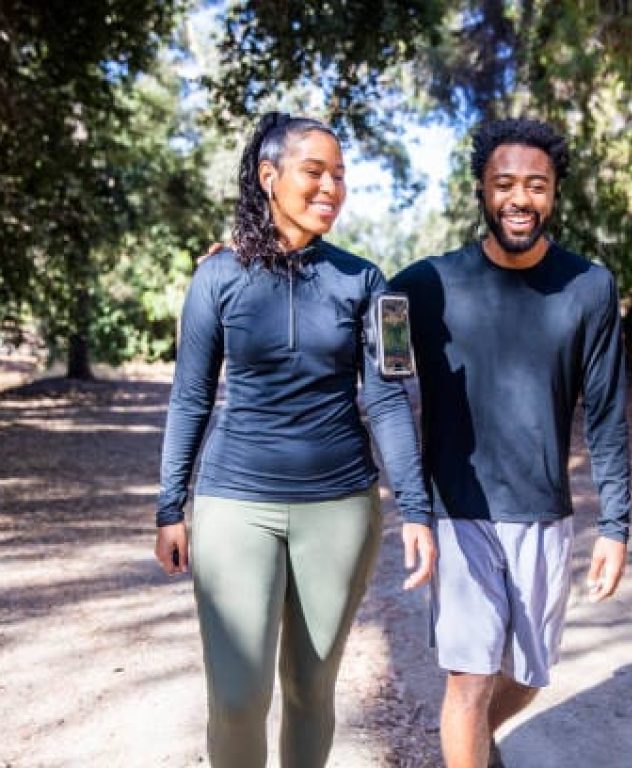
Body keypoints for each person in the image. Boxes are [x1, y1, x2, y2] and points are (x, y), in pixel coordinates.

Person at [154, 112, 435, 768]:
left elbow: (389, 400)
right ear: (268, 176)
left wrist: (416, 510)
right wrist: (171, 505)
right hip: (234, 505)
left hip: (338, 509)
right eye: (316, 172)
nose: (331, 187)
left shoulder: (371, 283)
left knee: (311, 689)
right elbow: (191, 396)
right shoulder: (215, 279)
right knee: (235, 695)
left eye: (340, 175)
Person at [390, 117, 631, 768]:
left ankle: (473, 745)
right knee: (466, 681)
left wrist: (616, 523)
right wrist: (254, 259)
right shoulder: (421, 286)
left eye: (536, 185)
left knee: (527, 674)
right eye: (504, 184)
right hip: (457, 509)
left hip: (544, 513)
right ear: (480, 191)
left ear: (554, 194)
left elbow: (606, 410)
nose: (519, 199)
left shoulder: (590, 287)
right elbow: (356, 325)